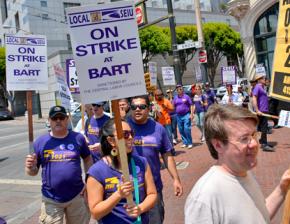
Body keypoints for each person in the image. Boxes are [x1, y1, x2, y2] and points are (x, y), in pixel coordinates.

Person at [184, 104, 290, 224]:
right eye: (244, 139)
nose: (254, 143)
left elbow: (260, 216)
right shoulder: (204, 199)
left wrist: (282, 189)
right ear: (218, 145)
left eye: (254, 135)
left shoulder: (244, 172)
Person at [25, 105, 93, 224]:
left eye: (61, 118)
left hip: (77, 196)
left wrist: (89, 181)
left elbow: (87, 159)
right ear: (49, 121)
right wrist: (30, 167)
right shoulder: (41, 142)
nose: (58, 121)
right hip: (51, 199)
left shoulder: (78, 138)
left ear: (67, 119)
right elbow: (33, 172)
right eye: (54, 118)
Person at [86, 119, 157, 224]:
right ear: (111, 141)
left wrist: (140, 208)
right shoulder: (96, 172)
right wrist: (118, 194)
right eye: (125, 134)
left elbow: (152, 194)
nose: (131, 137)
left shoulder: (141, 162)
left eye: (132, 133)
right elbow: (95, 213)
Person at [128, 95, 183, 224]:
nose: (137, 110)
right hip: (128, 189)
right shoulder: (123, 128)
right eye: (134, 107)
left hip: (153, 188)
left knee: (155, 220)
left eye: (142, 107)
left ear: (149, 108)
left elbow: (167, 155)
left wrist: (176, 179)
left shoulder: (158, 129)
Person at [252, 74, 274, 152]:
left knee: (261, 127)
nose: (265, 79)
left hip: (264, 111)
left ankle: (262, 141)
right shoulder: (257, 87)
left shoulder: (262, 87)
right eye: (263, 78)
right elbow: (254, 98)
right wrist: (257, 110)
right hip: (261, 112)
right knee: (263, 127)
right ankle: (264, 144)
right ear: (259, 79)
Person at [153, 89, 175, 154]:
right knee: (160, 138)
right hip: (158, 123)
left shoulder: (166, 101)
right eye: (158, 95)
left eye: (161, 95)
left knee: (169, 136)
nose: (159, 96)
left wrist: (166, 107)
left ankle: (172, 149)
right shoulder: (153, 103)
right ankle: (164, 150)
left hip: (166, 122)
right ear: (155, 96)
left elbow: (172, 109)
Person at [173, 84, 194, 149]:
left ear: (182, 89)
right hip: (178, 116)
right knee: (181, 130)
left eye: (180, 89)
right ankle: (185, 142)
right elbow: (173, 106)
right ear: (176, 90)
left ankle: (190, 143)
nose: (179, 90)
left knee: (186, 128)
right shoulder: (175, 97)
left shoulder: (186, 96)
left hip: (186, 114)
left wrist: (191, 114)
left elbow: (192, 105)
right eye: (178, 89)